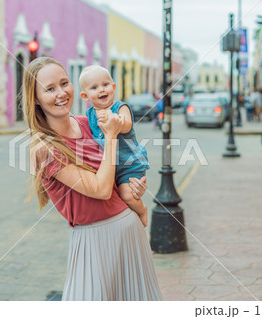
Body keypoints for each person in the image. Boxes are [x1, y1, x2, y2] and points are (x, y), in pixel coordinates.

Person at [23, 57, 163, 301]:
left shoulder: (89, 123)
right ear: (35, 98)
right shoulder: (45, 148)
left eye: (64, 83)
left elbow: (120, 165)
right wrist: (111, 137)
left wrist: (133, 185)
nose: (61, 93)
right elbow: (99, 189)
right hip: (93, 240)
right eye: (49, 89)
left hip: (129, 232)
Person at [79, 65, 149, 227]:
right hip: (108, 166)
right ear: (85, 95)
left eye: (105, 84)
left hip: (129, 164)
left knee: (127, 195)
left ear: (113, 87)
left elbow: (126, 125)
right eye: (94, 87)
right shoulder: (89, 115)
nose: (102, 90)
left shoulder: (120, 107)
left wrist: (114, 119)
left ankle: (142, 211)